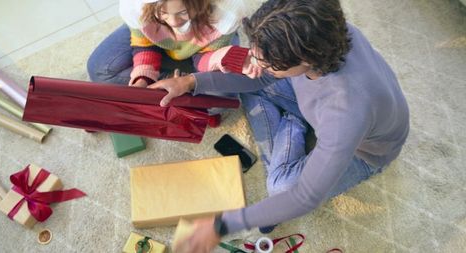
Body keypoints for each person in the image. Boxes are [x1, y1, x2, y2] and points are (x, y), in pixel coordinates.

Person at [150, 0, 410, 252]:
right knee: (244, 79)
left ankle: (293, 122)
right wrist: (191, 82)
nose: (256, 62)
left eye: (269, 63)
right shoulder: (324, 30)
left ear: (306, 59)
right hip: (317, 102)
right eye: (256, 51)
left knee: (281, 189)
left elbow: (305, 196)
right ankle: (295, 119)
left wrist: (220, 225)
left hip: (365, 152)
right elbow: (258, 77)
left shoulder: (346, 111)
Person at [87, 0, 246, 87]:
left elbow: (205, 58)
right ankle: (170, 82)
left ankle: (176, 83)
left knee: (222, 97)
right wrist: (143, 77)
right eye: (163, 13)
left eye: (183, 12)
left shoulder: (226, 14)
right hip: (157, 36)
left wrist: (189, 81)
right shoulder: (137, 7)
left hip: (207, 45)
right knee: (99, 69)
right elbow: (145, 44)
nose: (174, 22)